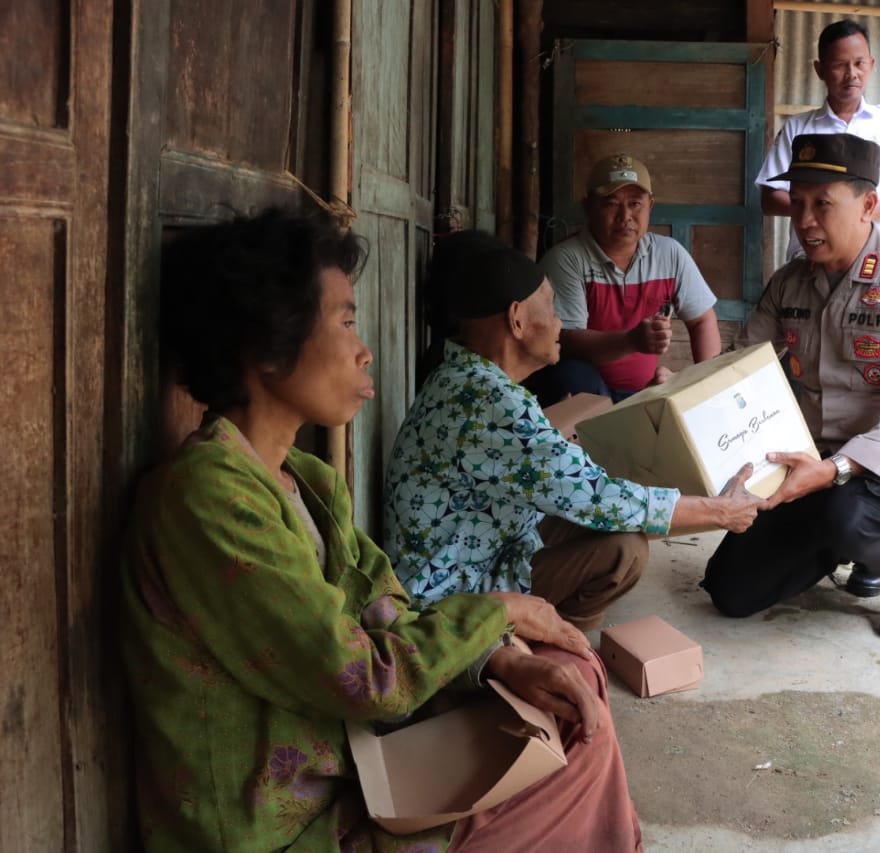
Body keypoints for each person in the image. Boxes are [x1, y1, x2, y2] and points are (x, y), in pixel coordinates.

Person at [122, 210, 644, 852]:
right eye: (344, 321)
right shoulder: (208, 497)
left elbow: (381, 604)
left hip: (359, 764)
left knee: (566, 681)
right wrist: (501, 611)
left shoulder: (306, 478)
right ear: (265, 347)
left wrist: (497, 657)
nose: (364, 348)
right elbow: (362, 677)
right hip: (293, 829)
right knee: (571, 757)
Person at [384, 230, 764, 630]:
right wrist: (717, 510)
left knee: (610, 507)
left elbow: (577, 486)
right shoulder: (489, 401)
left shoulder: (464, 374)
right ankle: (545, 639)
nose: (559, 321)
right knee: (623, 548)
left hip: (483, 544)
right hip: (453, 591)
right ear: (516, 320)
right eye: (550, 307)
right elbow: (598, 497)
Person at [701, 133, 880, 642]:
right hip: (805, 461)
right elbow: (741, 368)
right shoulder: (789, 282)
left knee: (849, 511)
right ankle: (852, 545)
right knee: (731, 591)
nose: (805, 221)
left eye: (822, 205)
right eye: (797, 205)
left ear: (868, 205)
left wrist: (834, 469)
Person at [527, 153, 721, 404]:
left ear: (650, 206)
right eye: (611, 203)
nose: (625, 216)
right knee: (571, 373)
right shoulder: (567, 259)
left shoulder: (669, 254)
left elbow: (702, 320)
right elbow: (567, 339)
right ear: (588, 207)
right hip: (581, 394)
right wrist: (632, 341)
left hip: (644, 390)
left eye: (635, 204)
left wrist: (705, 385)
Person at [756, 19, 880, 259]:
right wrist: (821, 214)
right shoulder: (797, 128)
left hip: (876, 263)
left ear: (871, 65)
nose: (852, 74)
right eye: (840, 65)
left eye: (859, 63)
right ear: (820, 70)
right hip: (810, 261)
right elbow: (770, 199)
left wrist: (854, 215)